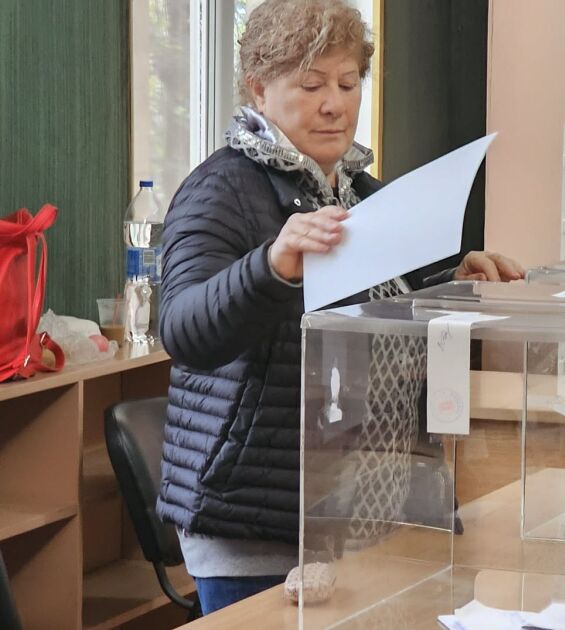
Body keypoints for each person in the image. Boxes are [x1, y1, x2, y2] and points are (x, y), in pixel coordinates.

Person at [155, 0, 523, 615]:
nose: (334, 104)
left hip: (367, 511)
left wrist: (450, 281)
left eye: (348, 84)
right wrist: (270, 266)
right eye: (311, 85)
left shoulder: (361, 192)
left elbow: (374, 313)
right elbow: (183, 328)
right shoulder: (219, 189)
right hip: (262, 521)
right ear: (259, 89)